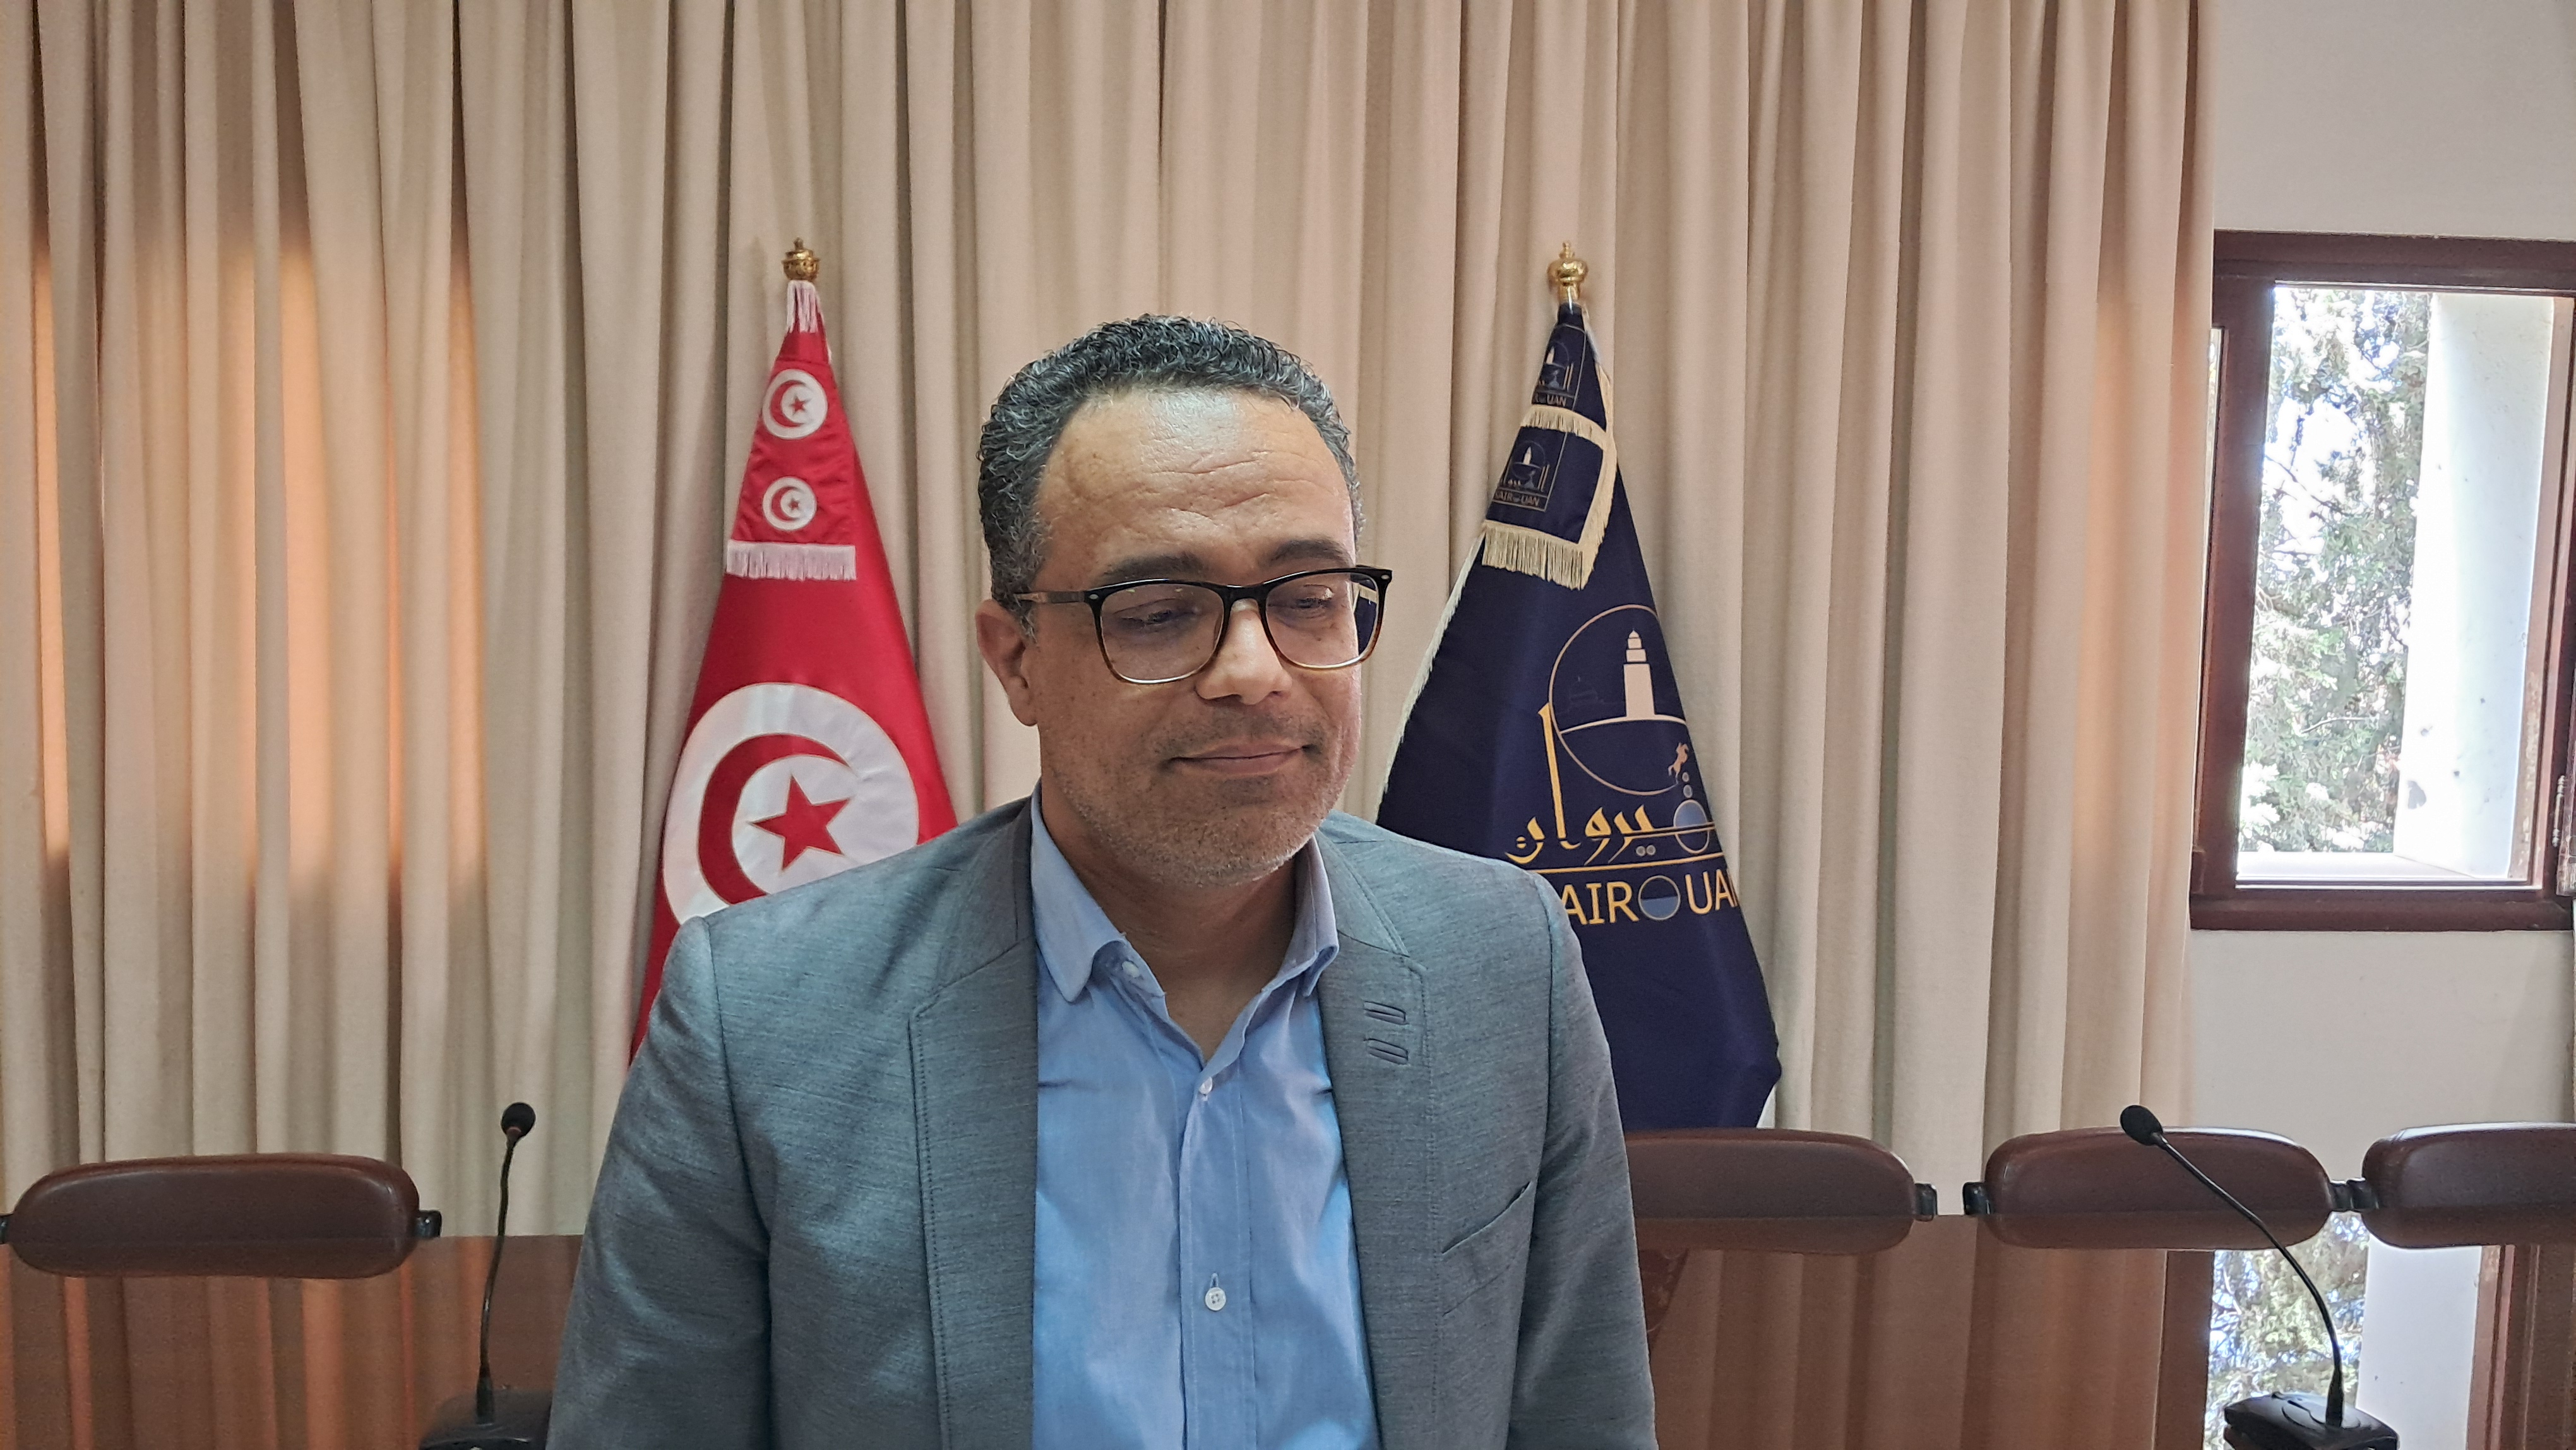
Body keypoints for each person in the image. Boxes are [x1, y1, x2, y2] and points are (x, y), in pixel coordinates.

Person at [552, 316, 1652, 1449]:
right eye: (1160, 612)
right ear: (1016, 659)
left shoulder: (1502, 962)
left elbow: (1585, 1416)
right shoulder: (761, 1019)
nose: (1253, 672)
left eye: (1308, 598)